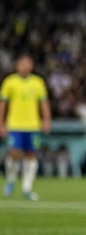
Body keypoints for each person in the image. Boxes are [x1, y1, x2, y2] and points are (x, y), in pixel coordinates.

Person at [1, 55, 51, 201]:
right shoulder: (10, 82)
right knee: (14, 153)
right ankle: (11, 179)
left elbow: (44, 103)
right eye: (22, 64)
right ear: (17, 66)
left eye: (28, 64)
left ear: (32, 66)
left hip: (33, 125)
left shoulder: (37, 82)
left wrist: (46, 120)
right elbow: (3, 104)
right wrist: (1, 123)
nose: (25, 66)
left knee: (31, 155)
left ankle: (27, 188)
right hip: (15, 125)